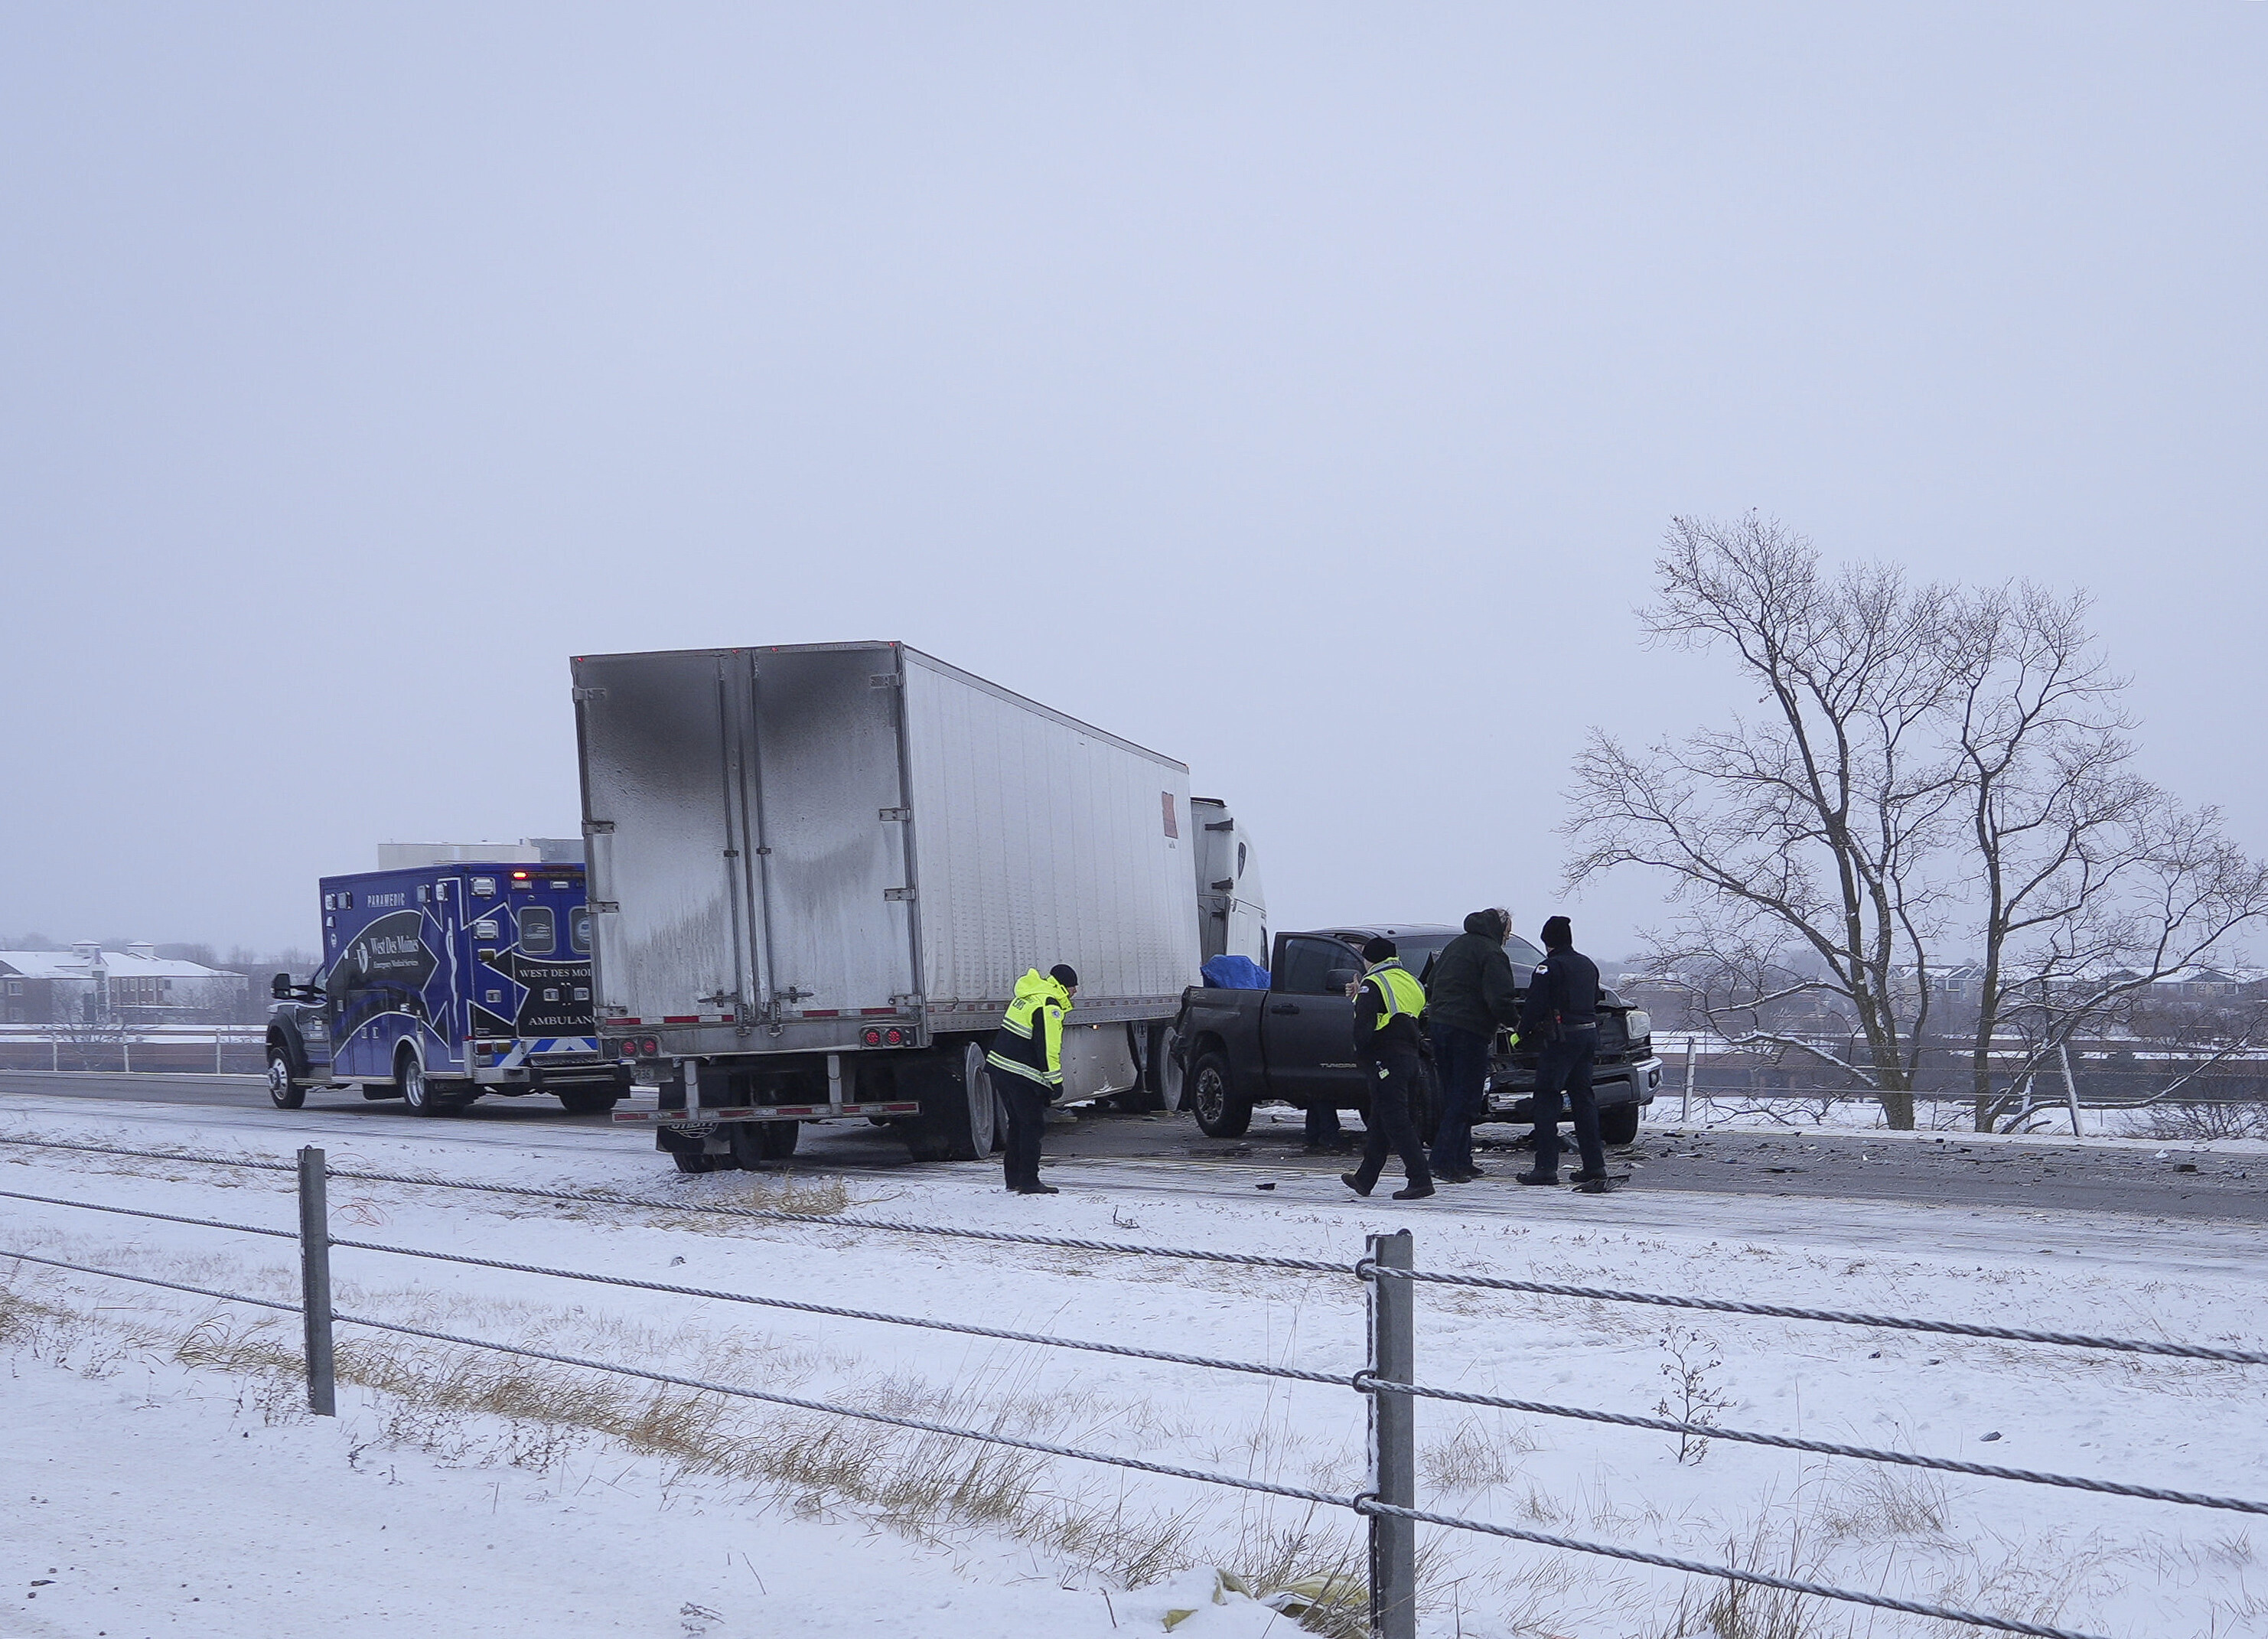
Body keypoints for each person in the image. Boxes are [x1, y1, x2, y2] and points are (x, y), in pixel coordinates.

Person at [1424, 907, 1522, 1183]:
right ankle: (1442, 1162)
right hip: (1469, 1031)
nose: (1508, 937)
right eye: (1508, 932)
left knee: (1452, 1094)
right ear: (1499, 929)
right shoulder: (1492, 953)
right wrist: (1515, 1023)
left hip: (1441, 1027)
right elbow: (1499, 997)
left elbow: (1430, 983)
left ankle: (1462, 1159)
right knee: (1465, 1098)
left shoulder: (1454, 946)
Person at [1514, 917, 1609, 1192]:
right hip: (1588, 1035)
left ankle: (1545, 1168)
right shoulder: (1586, 964)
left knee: (1546, 1098)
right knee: (1583, 1099)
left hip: (1561, 1038)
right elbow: (1595, 998)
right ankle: (1594, 1166)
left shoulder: (1548, 967)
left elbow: (1534, 1004)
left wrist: (1522, 1032)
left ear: (1547, 941)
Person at [1340, 937, 1435, 1201]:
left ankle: (1420, 1179)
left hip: (1385, 1058)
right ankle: (1365, 1178)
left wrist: (1361, 1055)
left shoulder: (1374, 983)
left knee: (1396, 1120)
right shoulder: (1411, 981)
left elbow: (1365, 1028)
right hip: (1410, 1057)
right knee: (1381, 1119)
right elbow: (1397, 1014)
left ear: (1371, 959)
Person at [986, 964, 1077, 1195]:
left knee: (1018, 1123)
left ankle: (1014, 1178)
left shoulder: (1030, 996)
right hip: (1020, 1073)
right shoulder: (1048, 1004)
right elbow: (1048, 1047)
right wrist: (1055, 1083)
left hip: (1002, 1068)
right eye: (1073, 986)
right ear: (1063, 985)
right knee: (1032, 1126)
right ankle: (1029, 1181)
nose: (1075, 991)